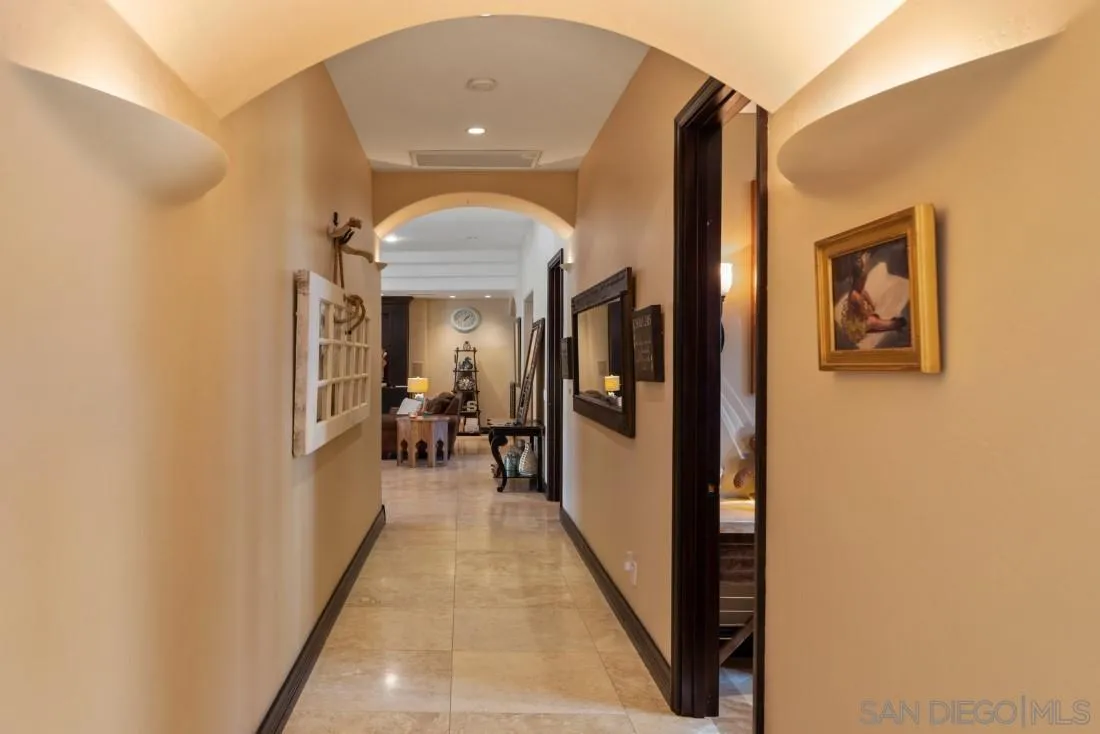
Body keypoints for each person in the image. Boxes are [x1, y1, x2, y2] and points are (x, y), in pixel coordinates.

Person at [839, 251, 907, 345]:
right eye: (861, 282)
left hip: (861, 315)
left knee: (874, 318)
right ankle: (892, 324)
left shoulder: (860, 290)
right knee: (872, 321)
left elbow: (866, 295)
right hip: (857, 323)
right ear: (855, 282)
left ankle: (889, 323)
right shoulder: (855, 296)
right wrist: (870, 313)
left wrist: (871, 304)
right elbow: (864, 314)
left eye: (864, 282)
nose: (863, 285)